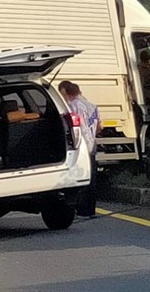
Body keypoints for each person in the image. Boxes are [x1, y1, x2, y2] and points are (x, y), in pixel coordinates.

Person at [58, 81, 98, 217]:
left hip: (81, 146)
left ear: (67, 92)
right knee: (91, 179)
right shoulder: (91, 105)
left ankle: (80, 209)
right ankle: (90, 210)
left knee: (79, 178)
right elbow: (100, 126)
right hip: (92, 144)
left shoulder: (73, 106)